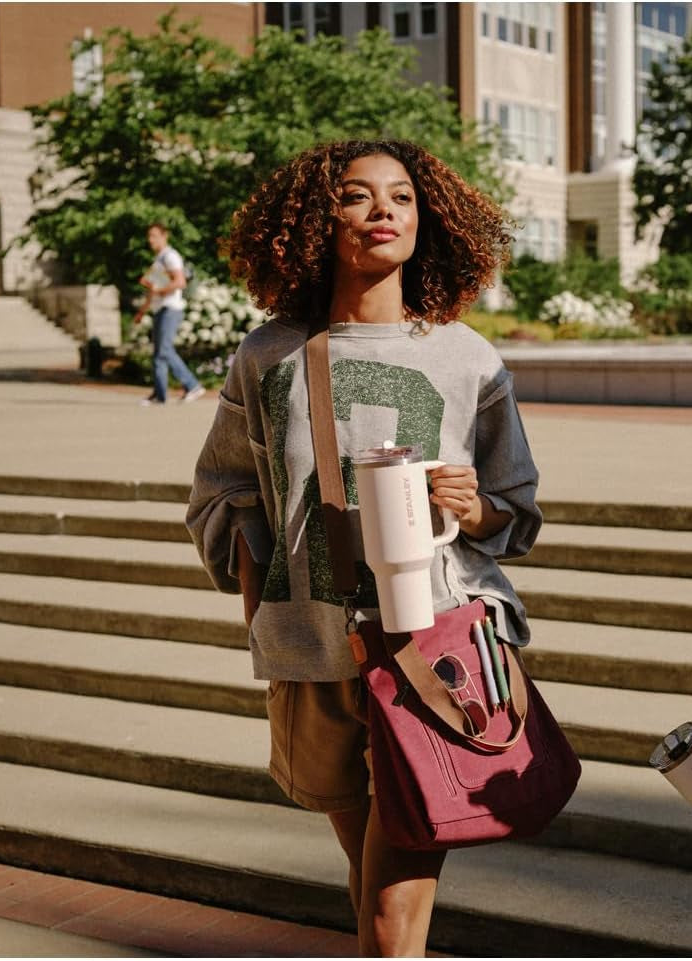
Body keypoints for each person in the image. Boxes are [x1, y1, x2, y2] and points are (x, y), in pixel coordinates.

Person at [186, 140, 540, 955]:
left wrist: (472, 506)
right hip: (311, 649)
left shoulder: (467, 358)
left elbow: (515, 512)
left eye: (403, 196)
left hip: (436, 648)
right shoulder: (268, 355)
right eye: (356, 195)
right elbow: (222, 491)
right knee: (368, 893)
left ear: (430, 221)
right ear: (317, 221)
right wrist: (266, 610)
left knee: (388, 920)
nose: (384, 209)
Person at [138, 222, 205, 405]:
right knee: (158, 353)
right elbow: (153, 287)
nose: (150, 240)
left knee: (165, 350)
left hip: (171, 308)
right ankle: (160, 395)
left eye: (154, 236)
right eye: (149, 236)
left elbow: (180, 282)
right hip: (160, 308)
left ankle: (192, 385)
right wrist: (142, 311)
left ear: (164, 236)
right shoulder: (159, 259)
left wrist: (160, 290)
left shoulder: (170, 256)